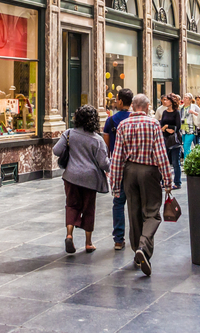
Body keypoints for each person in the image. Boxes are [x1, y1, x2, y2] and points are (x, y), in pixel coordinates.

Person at [108, 93, 173, 276]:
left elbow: (117, 157)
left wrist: (115, 184)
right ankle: (143, 247)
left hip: (129, 173)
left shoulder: (123, 125)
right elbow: (161, 154)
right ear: (145, 107)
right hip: (149, 173)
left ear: (133, 107)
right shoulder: (153, 124)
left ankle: (137, 253)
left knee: (134, 213)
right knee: (152, 213)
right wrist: (168, 180)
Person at [53, 104, 109, 253]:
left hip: (71, 177)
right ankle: (88, 243)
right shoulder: (97, 140)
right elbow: (103, 163)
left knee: (71, 205)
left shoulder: (69, 133)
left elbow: (56, 150)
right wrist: (112, 170)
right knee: (89, 209)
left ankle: (69, 235)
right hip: (90, 179)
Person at [102, 87, 132, 251]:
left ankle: (118, 240)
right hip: (134, 164)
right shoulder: (135, 119)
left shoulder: (111, 120)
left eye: (116, 99)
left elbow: (107, 145)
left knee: (118, 202)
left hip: (117, 164)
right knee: (135, 202)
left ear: (120, 101)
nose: (115, 102)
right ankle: (136, 237)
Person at [159, 94, 183, 189]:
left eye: (167, 100)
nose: (165, 102)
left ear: (172, 102)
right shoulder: (164, 112)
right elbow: (161, 125)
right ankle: (163, 181)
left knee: (175, 162)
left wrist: (167, 126)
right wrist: (165, 128)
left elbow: (178, 126)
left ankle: (177, 182)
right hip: (165, 138)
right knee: (164, 161)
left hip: (174, 140)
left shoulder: (177, 112)